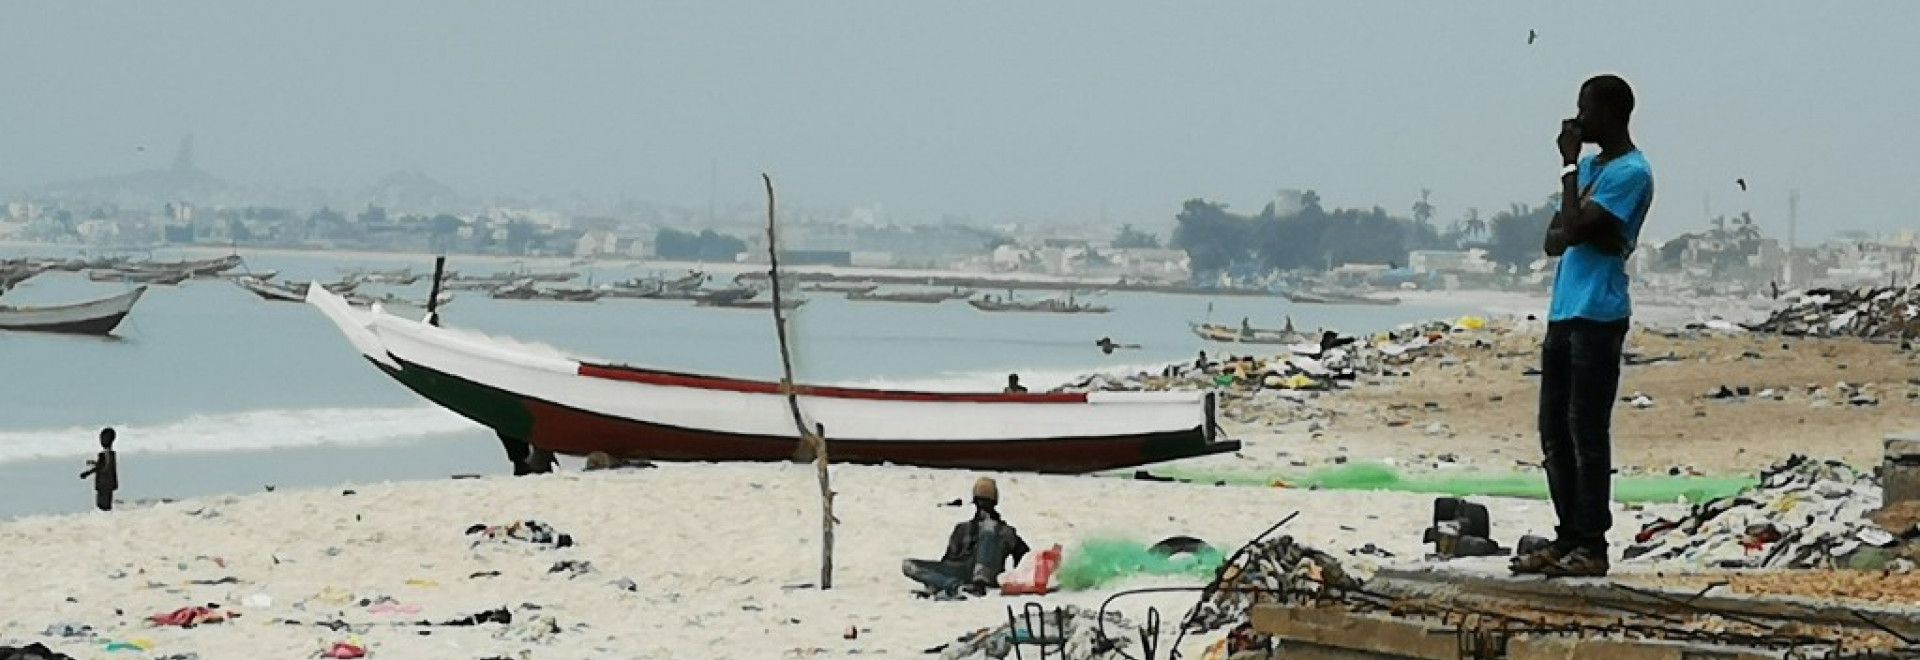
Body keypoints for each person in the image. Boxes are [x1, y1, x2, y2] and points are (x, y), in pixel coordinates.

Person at [1511, 74, 1655, 579]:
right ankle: (1568, 534)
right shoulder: (1595, 169)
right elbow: (1555, 239)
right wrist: (1576, 211)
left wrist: (1568, 169)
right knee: (1554, 431)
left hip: (1599, 315)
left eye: (1586, 110)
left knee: (1586, 431)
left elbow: (1570, 227)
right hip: (1564, 312)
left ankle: (1591, 543)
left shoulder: (1631, 173)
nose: (1577, 119)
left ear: (1613, 114)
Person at [902, 477, 1031, 600]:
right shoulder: (962, 528)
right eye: (980, 502)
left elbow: (1025, 557)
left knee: (989, 527)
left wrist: (1014, 579)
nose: (983, 507)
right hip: (959, 572)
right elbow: (948, 560)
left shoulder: (1004, 531)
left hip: (987, 577)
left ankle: (978, 583)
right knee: (908, 565)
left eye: (986, 502)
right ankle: (952, 586)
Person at [78, 427, 118, 511]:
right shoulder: (110, 454)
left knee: (103, 505)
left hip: (104, 483)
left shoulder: (106, 454)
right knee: (104, 504)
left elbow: (103, 466)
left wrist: (87, 473)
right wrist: (94, 463)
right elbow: (104, 465)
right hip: (107, 483)